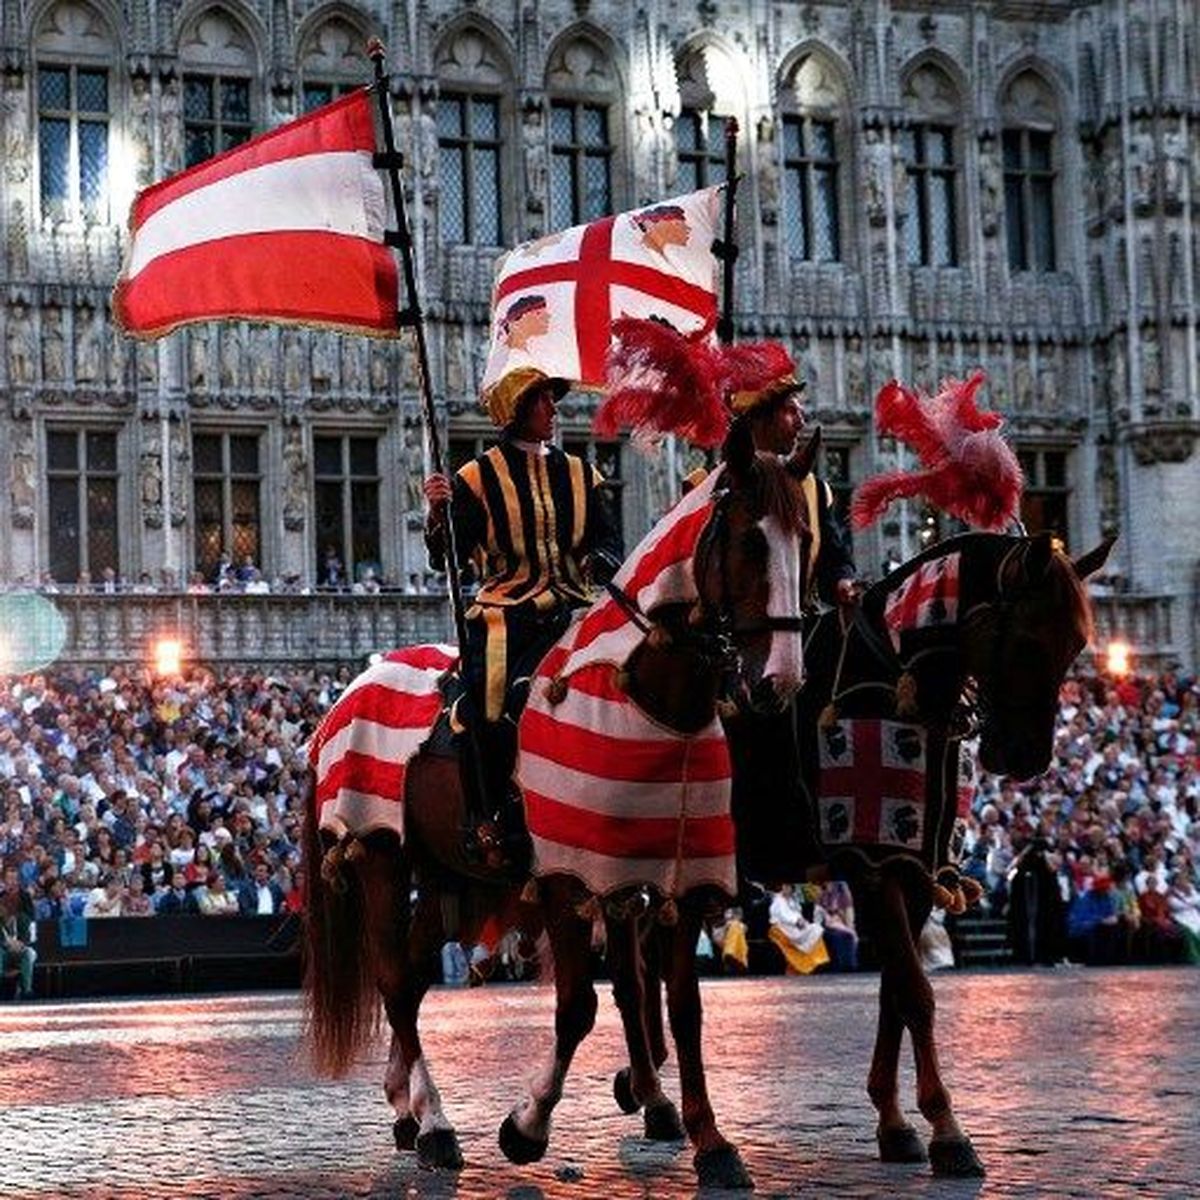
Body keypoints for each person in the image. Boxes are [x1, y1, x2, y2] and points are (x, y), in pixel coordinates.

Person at [423, 366, 623, 865]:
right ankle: (493, 816)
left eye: (552, 400)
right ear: (516, 411)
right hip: (508, 611)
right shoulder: (475, 478)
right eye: (542, 401)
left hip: (575, 604)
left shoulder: (581, 473)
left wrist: (601, 561)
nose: (553, 409)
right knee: (489, 697)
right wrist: (437, 516)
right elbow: (448, 554)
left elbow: (607, 539)